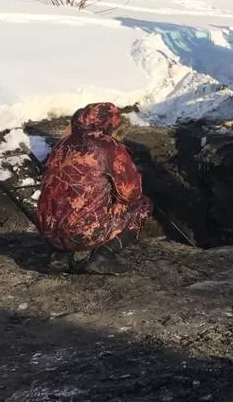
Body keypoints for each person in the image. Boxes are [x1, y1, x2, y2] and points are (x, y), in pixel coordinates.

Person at [37, 102, 152, 275]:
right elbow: (131, 193)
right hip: (83, 233)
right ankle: (103, 257)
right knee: (143, 205)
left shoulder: (61, 145)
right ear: (108, 122)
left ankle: (59, 256)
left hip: (47, 231)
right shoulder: (109, 146)